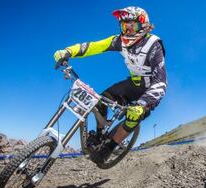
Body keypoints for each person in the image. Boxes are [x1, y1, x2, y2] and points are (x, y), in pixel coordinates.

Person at [54, 6, 167, 164]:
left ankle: (110, 147)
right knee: (102, 100)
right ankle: (99, 136)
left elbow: (160, 81)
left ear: (143, 26)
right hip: (133, 84)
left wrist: (143, 104)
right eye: (124, 26)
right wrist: (68, 51)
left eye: (131, 26)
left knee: (133, 116)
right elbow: (95, 46)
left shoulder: (153, 44)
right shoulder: (119, 41)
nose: (127, 31)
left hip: (149, 90)